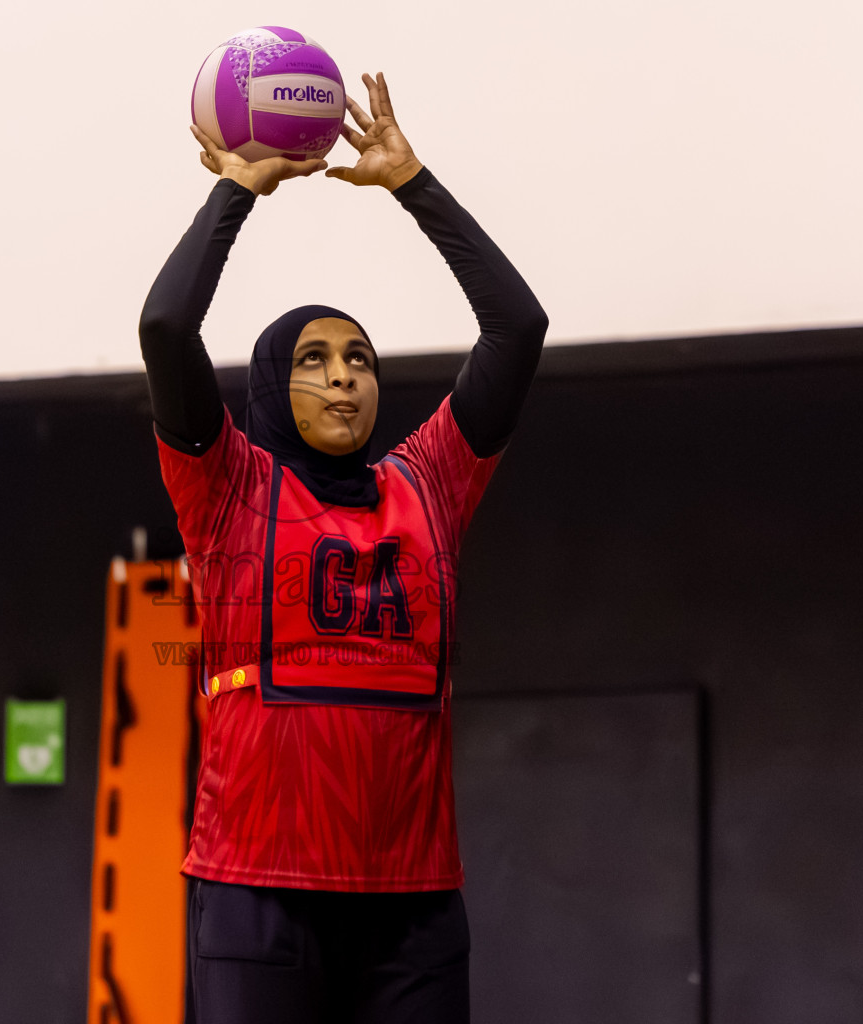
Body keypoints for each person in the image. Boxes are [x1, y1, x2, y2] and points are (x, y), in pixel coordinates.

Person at [139, 73, 547, 1023]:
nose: (343, 379)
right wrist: (237, 187)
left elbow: (517, 328)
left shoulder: (431, 482)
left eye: (358, 359)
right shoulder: (229, 483)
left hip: (413, 901)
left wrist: (414, 183)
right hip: (258, 890)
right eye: (315, 362)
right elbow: (166, 328)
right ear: (273, 386)